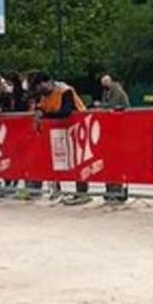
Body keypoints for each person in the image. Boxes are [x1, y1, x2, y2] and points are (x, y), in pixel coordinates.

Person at [27, 71, 92, 206]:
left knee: (79, 160)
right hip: (59, 131)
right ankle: (57, 190)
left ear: (48, 82)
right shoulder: (44, 94)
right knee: (56, 160)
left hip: (78, 128)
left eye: (40, 87)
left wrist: (45, 116)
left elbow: (65, 112)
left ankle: (82, 193)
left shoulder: (65, 91)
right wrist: (39, 111)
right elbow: (42, 107)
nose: (39, 91)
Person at [97, 75, 130, 203]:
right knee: (108, 161)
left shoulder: (117, 91)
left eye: (105, 83)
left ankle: (118, 190)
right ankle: (110, 189)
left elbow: (113, 105)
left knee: (117, 161)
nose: (104, 86)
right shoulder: (106, 92)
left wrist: (101, 106)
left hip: (118, 129)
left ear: (110, 81)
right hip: (109, 130)